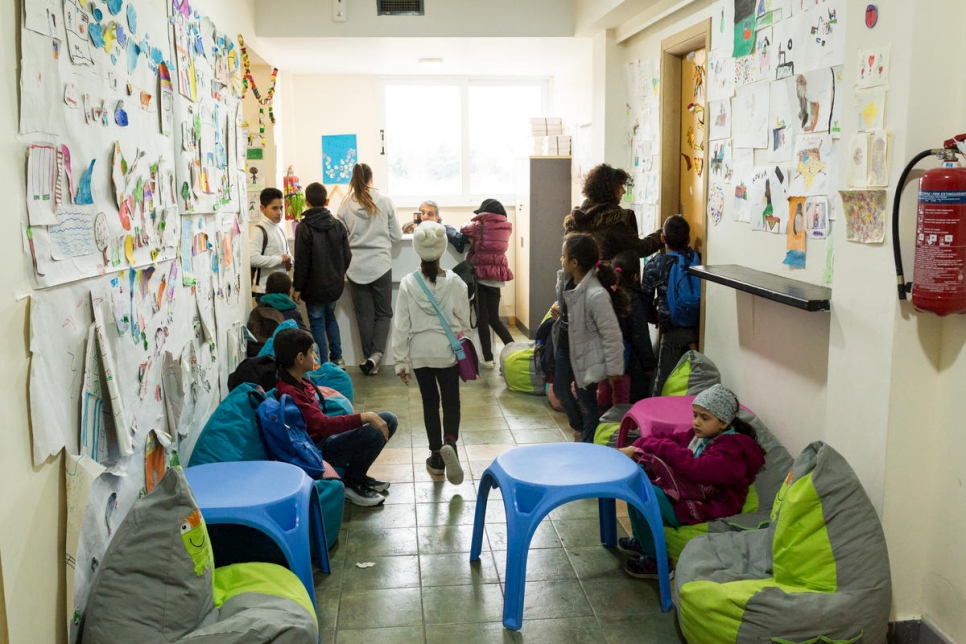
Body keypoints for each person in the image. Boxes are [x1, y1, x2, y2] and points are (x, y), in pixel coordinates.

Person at [616, 384, 765, 578]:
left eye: (704, 417)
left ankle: (656, 561)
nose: (696, 422)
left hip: (708, 504)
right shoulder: (699, 436)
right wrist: (639, 446)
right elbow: (665, 439)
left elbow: (698, 470)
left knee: (644, 492)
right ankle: (643, 540)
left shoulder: (732, 449)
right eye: (695, 415)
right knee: (638, 477)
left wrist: (659, 448)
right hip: (691, 492)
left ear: (723, 422)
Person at [274, 328, 397, 507]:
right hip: (317, 449)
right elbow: (323, 426)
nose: (315, 357)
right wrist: (365, 417)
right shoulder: (289, 392)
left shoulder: (301, 380)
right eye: (311, 353)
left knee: (388, 419)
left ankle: (358, 476)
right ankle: (351, 483)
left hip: (325, 439)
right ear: (300, 358)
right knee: (373, 430)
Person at [392, 222, 471, 484]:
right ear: (442, 249)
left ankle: (436, 456)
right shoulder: (456, 282)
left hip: (419, 354)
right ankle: (451, 442)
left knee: (429, 402)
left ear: (416, 249)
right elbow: (464, 321)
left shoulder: (407, 284)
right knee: (451, 401)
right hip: (446, 351)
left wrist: (401, 361)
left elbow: (401, 325)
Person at [550, 233, 625, 443]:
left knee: (587, 402)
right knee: (560, 389)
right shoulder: (567, 282)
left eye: (563, 256)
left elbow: (611, 334)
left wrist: (614, 368)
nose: (560, 260)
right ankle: (581, 428)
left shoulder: (596, 294)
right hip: (567, 346)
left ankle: (589, 444)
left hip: (586, 356)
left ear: (574, 262)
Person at [337, 163, 402, 375]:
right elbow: (397, 236)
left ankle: (369, 360)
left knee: (363, 316)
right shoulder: (384, 200)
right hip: (381, 264)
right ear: (371, 178)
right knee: (384, 313)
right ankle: (376, 356)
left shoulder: (345, 204)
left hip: (355, 267)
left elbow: (341, 238)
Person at [292, 182, 351, 367]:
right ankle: (338, 358)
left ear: (306, 202)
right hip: (334, 284)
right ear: (326, 201)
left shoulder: (304, 227)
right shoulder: (337, 225)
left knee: (316, 321)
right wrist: (338, 273)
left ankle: (323, 363)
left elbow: (302, 262)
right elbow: (347, 255)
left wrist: (298, 286)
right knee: (330, 317)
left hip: (313, 286)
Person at [642, 215, 700, 396]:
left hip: (671, 329)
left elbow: (645, 300)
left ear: (662, 239)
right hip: (697, 328)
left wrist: (656, 318)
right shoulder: (694, 259)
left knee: (662, 379)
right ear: (688, 239)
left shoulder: (654, 265)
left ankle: (653, 417)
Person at [563, 164, 663, 261]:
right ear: (610, 189)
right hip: (609, 276)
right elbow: (640, 248)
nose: (623, 191)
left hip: (582, 278)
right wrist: (662, 234)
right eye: (620, 186)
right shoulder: (616, 219)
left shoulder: (575, 220)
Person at [461, 198, 514, 368]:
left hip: (481, 276)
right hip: (496, 278)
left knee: (482, 320)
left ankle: (488, 358)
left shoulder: (480, 225)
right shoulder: (506, 227)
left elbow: (463, 228)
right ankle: (514, 349)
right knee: (494, 320)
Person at [611, 251, 657, 404]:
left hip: (610, 357)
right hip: (631, 362)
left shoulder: (609, 295)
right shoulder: (634, 299)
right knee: (632, 399)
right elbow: (640, 335)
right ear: (636, 276)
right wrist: (649, 364)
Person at [250, 187, 293, 301]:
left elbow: (287, 254)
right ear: (262, 208)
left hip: (282, 288)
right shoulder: (259, 230)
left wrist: (289, 261)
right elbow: (253, 259)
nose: (279, 212)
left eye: (281, 208)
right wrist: (280, 260)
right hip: (265, 290)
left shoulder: (279, 229)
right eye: (274, 208)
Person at [402, 200, 468, 251]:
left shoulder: (445, 230)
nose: (425, 217)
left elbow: (460, 239)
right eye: (422, 213)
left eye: (430, 214)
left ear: (437, 217)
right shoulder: (408, 229)